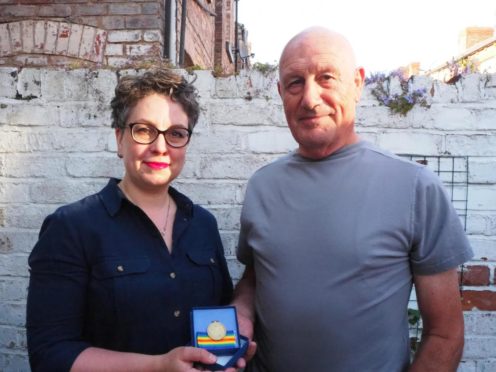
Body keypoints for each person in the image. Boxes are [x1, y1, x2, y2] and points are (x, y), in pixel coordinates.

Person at [232, 27, 474, 372]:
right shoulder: (262, 186)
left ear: (358, 84)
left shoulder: (415, 188)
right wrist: (241, 311)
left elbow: (445, 334)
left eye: (326, 77)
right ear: (280, 92)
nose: (310, 98)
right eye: (295, 82)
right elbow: (256, 277)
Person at [27, 68, 236, 372]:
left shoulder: (203, 224)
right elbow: (50, 355)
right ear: (119, 138)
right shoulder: (72, 227)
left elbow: (217, 322)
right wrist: (158, 366)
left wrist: (231, 350)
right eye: (144, 130)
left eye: (176, 133)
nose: (161, 147)